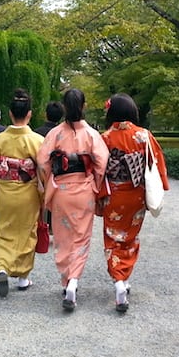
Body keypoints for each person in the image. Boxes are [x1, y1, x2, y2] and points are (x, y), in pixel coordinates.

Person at [37, 88, 110, 312]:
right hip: (84, 191)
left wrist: (51, 179)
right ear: (84, 106)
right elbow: (102, 161)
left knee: (62, 237)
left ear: (65, 107)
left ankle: (66, 280)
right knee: (81, 237)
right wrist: (95, 183)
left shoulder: (56, 134)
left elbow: (42, 161)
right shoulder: (91, 134)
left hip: (61, 191)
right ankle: (74, 282)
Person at [97, 93, 169, 313]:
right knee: (130, 237)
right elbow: (156, 163)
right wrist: (161, 185)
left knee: (112, 238)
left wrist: (97, 195)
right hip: (136, 193)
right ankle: (124, 278)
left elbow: (98, 169)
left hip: (113, 193)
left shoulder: (105, 137)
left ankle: (118, 281)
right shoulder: (143, 135)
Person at [0, 90, 45, 297]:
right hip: (28, 194)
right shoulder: (37, 140)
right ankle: (23, 278)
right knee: (27, 232)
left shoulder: (0, 139)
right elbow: (44, 171)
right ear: (30, 114)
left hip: (6, 192)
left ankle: (2, 267)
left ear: (9, 113)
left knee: (4, 231)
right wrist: (45, 196)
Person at [34, 100, 64, 232]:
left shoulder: (36, 133)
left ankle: (42, 226)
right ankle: (54, 226)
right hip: (59, 172)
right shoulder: (63, 133)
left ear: (46, 114)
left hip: (41, 172)